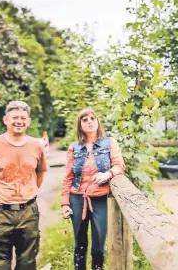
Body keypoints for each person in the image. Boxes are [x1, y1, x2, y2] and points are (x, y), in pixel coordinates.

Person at [0, 101, 48, 270]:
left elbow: (40, 173)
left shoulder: (37, 145)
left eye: (23, 118)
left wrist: (27, 194)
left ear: (28, 121)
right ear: (5, 120)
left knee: (28, 262)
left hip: (28, 212)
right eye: (14, 117)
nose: (19, 121)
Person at [61, 108, 125, 270]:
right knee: (80, 244)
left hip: (100, 200)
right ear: (80, 125)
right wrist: (65, 204)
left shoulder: (109, 142)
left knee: (98, 245)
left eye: (92, 118)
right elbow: (68, 177)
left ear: (97, 122)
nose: (89, 121)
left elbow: (119, 166)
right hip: (77, 200)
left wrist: (108, 174)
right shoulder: (74, 148)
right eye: (85, 119)